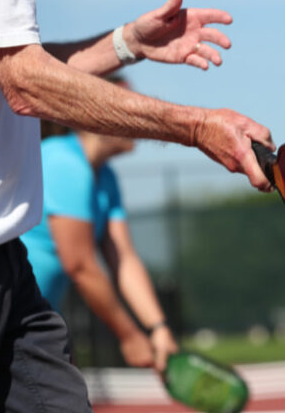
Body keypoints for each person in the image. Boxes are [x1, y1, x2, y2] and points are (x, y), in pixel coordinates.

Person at [0, 0, 273, 412]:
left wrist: (126, 44)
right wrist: (197, 127)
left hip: (0, 268)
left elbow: (4, 62)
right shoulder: (67, 165)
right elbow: (24, 80)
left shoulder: (104, 180)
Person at [22, 75, 178, 373]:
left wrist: (158, 328)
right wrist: (129, 335)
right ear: (97, 115)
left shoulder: (106, 178)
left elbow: (124, 259)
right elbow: (80, 265)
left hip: (31, 323)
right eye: (129, 108)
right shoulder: (64, 163)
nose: (140, 119)